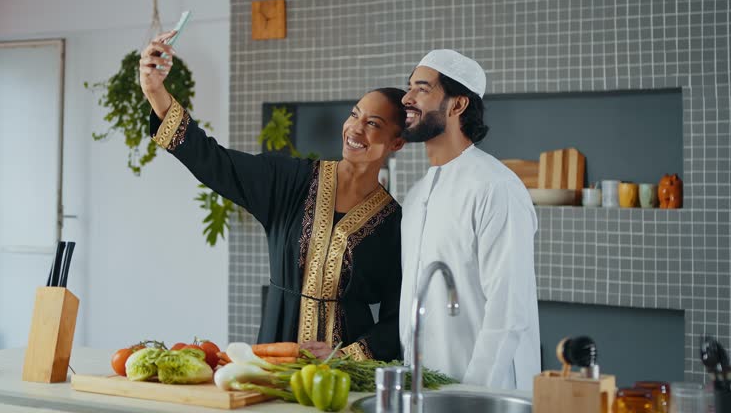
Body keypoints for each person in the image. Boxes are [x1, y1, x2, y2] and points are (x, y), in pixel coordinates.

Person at [139, 32, 406, 361]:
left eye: (373, 124)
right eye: (354, 114)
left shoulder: (393, 222)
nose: (355, 128)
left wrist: (347, 356)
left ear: (396, 143)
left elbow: (399, 318)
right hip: (276, 345)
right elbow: (215, 162)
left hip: (346, 369)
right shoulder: (292, 181)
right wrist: (155, 92)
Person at [398, 49, 540, 389]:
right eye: (409, 87)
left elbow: (509, 312)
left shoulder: (496, 187)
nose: (406, 98)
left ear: (457, 105)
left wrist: (472, 396)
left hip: (487, 392)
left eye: (422, 88)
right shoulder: (416, 195)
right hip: (427, 388)